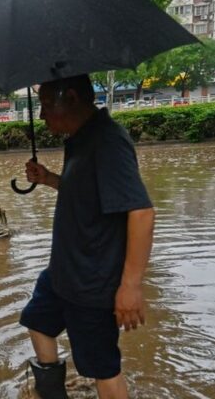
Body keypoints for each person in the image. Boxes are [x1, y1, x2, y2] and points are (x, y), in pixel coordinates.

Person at [19, 74, 155, 399]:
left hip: (92, 284)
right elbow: (90, 193)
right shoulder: (80, 139)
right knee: (37, 322)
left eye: (47, 105)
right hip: (63, 273)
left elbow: (141, 212)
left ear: (74, 99)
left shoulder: (108, 141)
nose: (41, 116)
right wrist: (51, 179)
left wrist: (130, 287)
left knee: (102, 370)